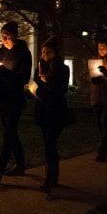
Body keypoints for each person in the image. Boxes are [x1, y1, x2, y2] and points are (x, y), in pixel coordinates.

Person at [0, 21, 32, 182]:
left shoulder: (23, 53)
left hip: (15, 99)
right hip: (2, 98)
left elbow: (23, 78)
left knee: (9, 133)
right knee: (10, 132)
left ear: (14, 35)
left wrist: (5, 73)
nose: (4, 37)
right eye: (2, 34)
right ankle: (20, 164)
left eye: (6, 34)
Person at [32, 37, 70, 194]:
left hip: (56, 112)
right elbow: (35, 85)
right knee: (48, 145)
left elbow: (58, 92)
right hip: (43, 112)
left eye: (48, 52)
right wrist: (30, 90)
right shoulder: (40, 67)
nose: (44, 54)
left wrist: (45, 83)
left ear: (55, 53)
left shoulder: (62, 69)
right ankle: (52, 178)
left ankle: (50, 179)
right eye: (43, 52)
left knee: (50, 143)